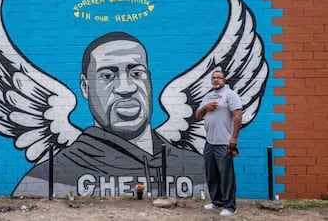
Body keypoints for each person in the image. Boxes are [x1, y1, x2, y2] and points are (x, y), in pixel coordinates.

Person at [12, 32, 205, 198]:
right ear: (85, 87)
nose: (126, 88)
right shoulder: (47, 177)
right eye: (107, 76)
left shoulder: (197, 168)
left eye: (137, 73)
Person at [195, 70, 242, 217]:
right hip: (210, 141)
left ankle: (230, 206)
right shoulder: (208, 96)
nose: (216, 80)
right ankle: (217, 201)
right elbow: (197, 116)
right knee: (212, 174)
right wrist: (205, 107)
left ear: (224, 79)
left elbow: (238, 116)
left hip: (224, 142)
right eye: (213, 78)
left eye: (219, 78)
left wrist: (234, 138)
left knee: (226, 176)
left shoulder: (230, 95)